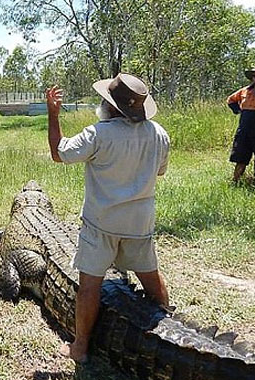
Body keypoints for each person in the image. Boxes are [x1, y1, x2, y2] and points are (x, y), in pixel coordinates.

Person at [46, 74, 171, 363]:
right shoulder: (159, 133)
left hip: (101, 222)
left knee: (90, 284)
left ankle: (80, 348)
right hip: (140, 221)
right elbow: (160, 172)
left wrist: (53, 115)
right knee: (150, 275)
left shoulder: (98, 134)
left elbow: (58, 153)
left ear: (110, 105)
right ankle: (167, 327)